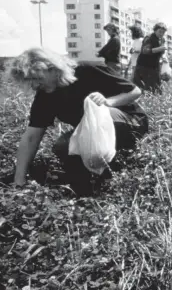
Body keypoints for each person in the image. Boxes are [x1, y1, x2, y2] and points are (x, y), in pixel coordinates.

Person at [10, 47, 149, 196]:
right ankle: (88, 184)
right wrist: (19, 181)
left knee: (100, 116)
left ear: (52, 68)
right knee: (62, 146)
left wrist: (109, 102)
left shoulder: (88, 70)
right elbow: (31, 137)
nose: (34, 86)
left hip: (131, 121)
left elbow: (135, 91)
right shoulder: (44, 96)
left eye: (37, 79)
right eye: (29, 82)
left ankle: (115, 172)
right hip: (91, 132)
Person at [133, 22, 168, 94]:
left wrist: (163, 56)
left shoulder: (162, 40)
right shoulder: (148, 38)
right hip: (144, 66)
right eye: (160, 31)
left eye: (163, 32)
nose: (161, 34)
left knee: (156, 88)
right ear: (155, 30)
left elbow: (161, 52)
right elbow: (145, 51)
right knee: (143, 88)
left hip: (154, 66)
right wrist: (159, 49)